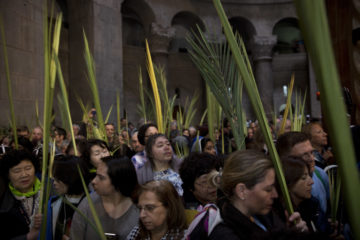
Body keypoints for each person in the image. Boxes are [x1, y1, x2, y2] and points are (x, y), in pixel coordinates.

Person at [209, 149, 308, 239]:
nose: (275, 195)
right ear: (242, 191)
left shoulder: (264, 215)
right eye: (268, 189)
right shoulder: (226, 235)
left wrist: (290, 232)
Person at [71, 156, 139, 240]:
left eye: (101, 178)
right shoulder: (88, 204)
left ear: (118, 181)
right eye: (96, 175)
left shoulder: (139, 207)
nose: (94, 181)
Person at [276, 132, 330, 216]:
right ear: (287, 160)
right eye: (304, 155)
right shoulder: (277, 191)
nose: (312, 158)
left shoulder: (320, 173)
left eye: (312, 152)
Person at [0, 149, 42, 240]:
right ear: (8, 175)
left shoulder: (49, 190)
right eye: (16, 171)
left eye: (28, 168)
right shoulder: (3, 203)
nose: (24, 175)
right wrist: (28, 237)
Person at [45, 155, 89, 240]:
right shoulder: (53, 204)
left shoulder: (93, 203)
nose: (54, 183)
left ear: (71, 178)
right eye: (53, 178)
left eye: (58, 179)